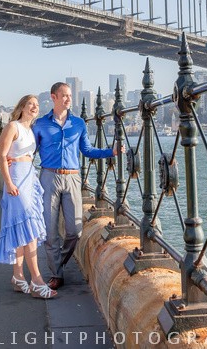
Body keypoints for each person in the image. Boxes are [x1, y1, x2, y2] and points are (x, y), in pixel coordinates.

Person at [32, 82, 119, 290]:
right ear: (53, 97)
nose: (68, 99)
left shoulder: (79, 123)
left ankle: (58, 263)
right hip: (48, 177)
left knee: (75, 231)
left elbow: (87, 150)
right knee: (50, 231)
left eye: (70, 95)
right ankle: (56, 275)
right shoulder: (41, 124)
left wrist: (111, 152)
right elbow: (30, 152)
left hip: (72, 178)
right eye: (64, 96)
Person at [0, 94, 56, 299]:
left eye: (37, 105)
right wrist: (9, 182)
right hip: (16, 179)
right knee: (28, 228)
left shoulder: (31, 130)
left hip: (29, 177)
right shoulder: (13, 126)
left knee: (22, 228)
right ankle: (37, 280)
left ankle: (18, 277)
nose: (34, 107)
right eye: (30, 104)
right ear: (21, 106)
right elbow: (2, 155)